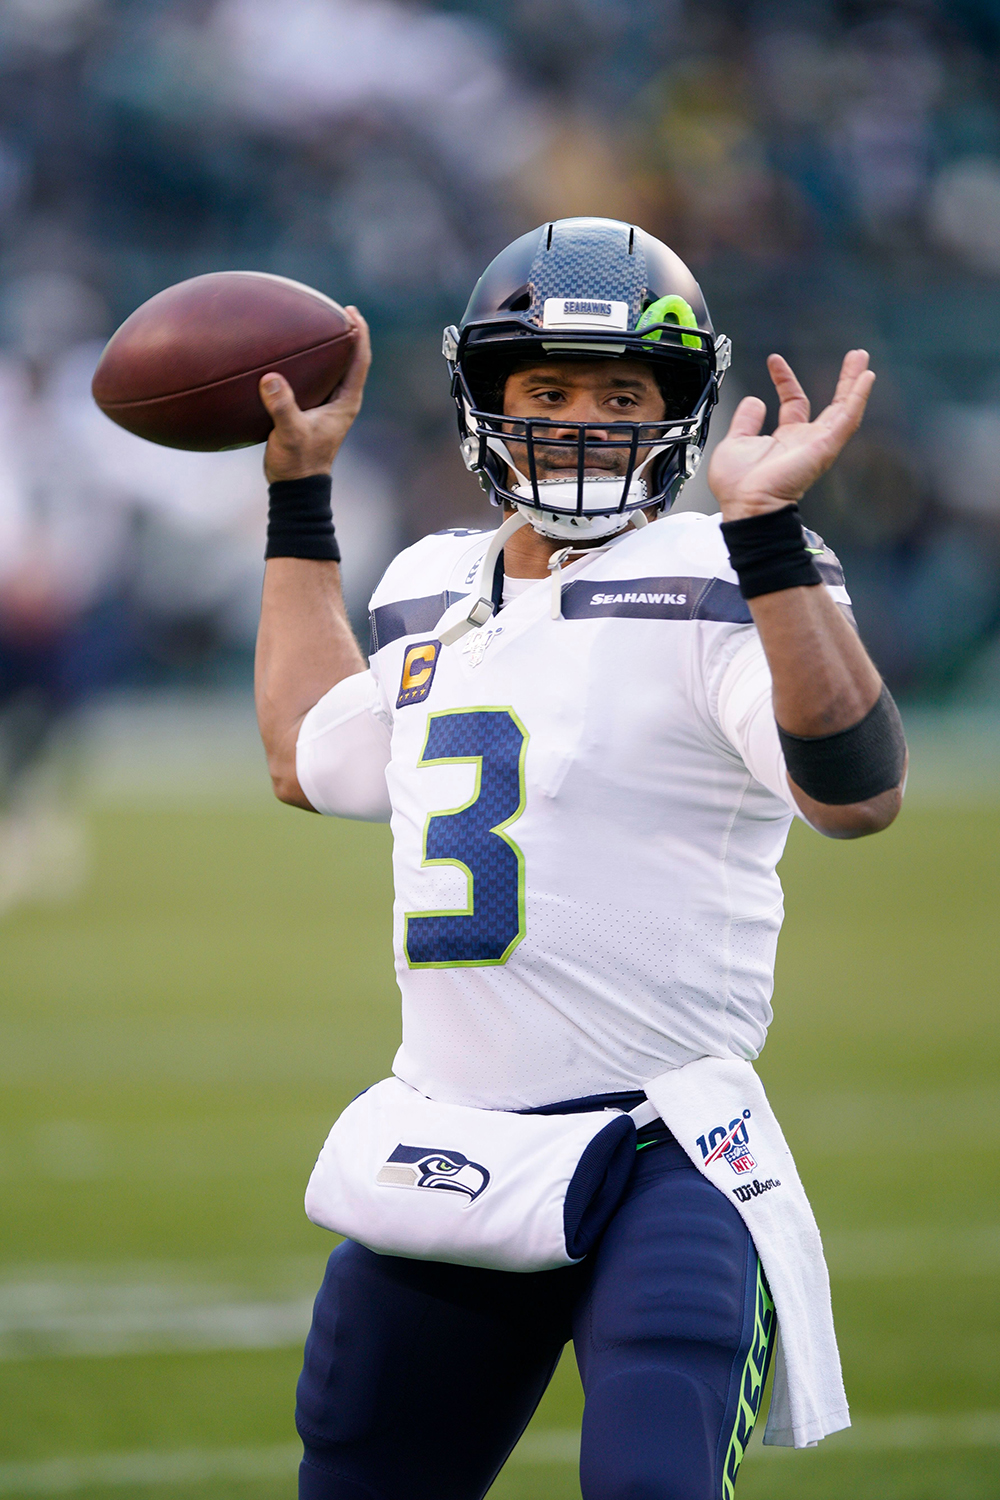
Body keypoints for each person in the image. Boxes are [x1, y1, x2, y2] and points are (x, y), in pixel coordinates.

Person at [253, 217, 906, 1500]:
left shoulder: (722, 571)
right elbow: (309, 760)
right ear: (485, 402)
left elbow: (858, 793)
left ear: (681, 409)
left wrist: (767, 530)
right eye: (545, 389)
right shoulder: (433, 581)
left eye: (622, 394)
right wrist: (295, 498)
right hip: (448, 1146)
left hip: (660, 1152)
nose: (583, 421)